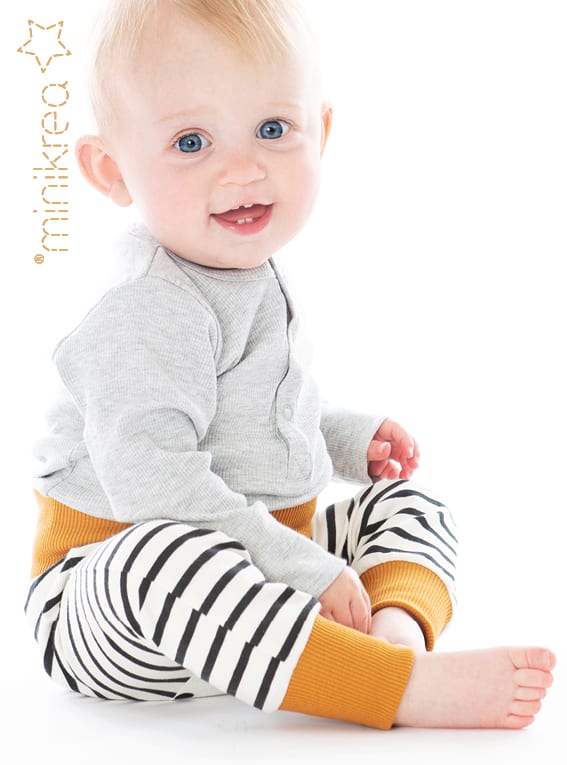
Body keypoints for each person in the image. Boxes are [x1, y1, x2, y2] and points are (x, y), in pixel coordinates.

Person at [26, 0, 554, 730]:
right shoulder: (143, 307)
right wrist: (304, 568)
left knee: (407, 503)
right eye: (190, 142)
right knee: (164, 555)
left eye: (272, 130)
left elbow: (253, 414)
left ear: (321, 133)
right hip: (118, 600)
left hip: (259, 574)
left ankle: (392, 636)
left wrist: (345, 439)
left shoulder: (243, 269)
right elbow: (157, 486)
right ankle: (391, 688)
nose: (243, 169)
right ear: (111, 171)